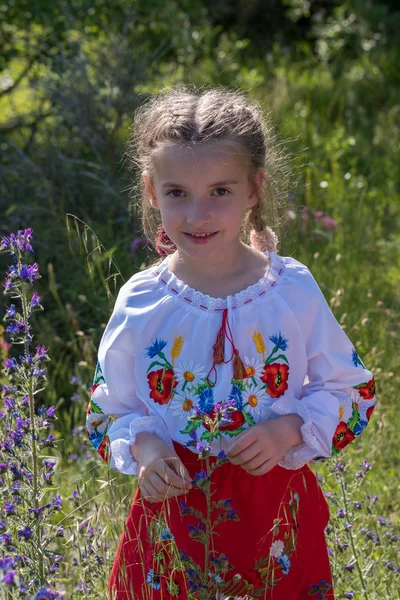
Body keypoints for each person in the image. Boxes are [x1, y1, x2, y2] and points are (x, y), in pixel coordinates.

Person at [85, 86, 377, 600]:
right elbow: (108, 409)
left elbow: (353, 392)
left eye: (220, 191)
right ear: (152, 191)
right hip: (172, 516)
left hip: (273, 511)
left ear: (254, 189)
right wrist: (148, 447)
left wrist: (290, 427)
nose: (197, 215)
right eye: (178, 193)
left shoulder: (290, 289)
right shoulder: (142, 300)